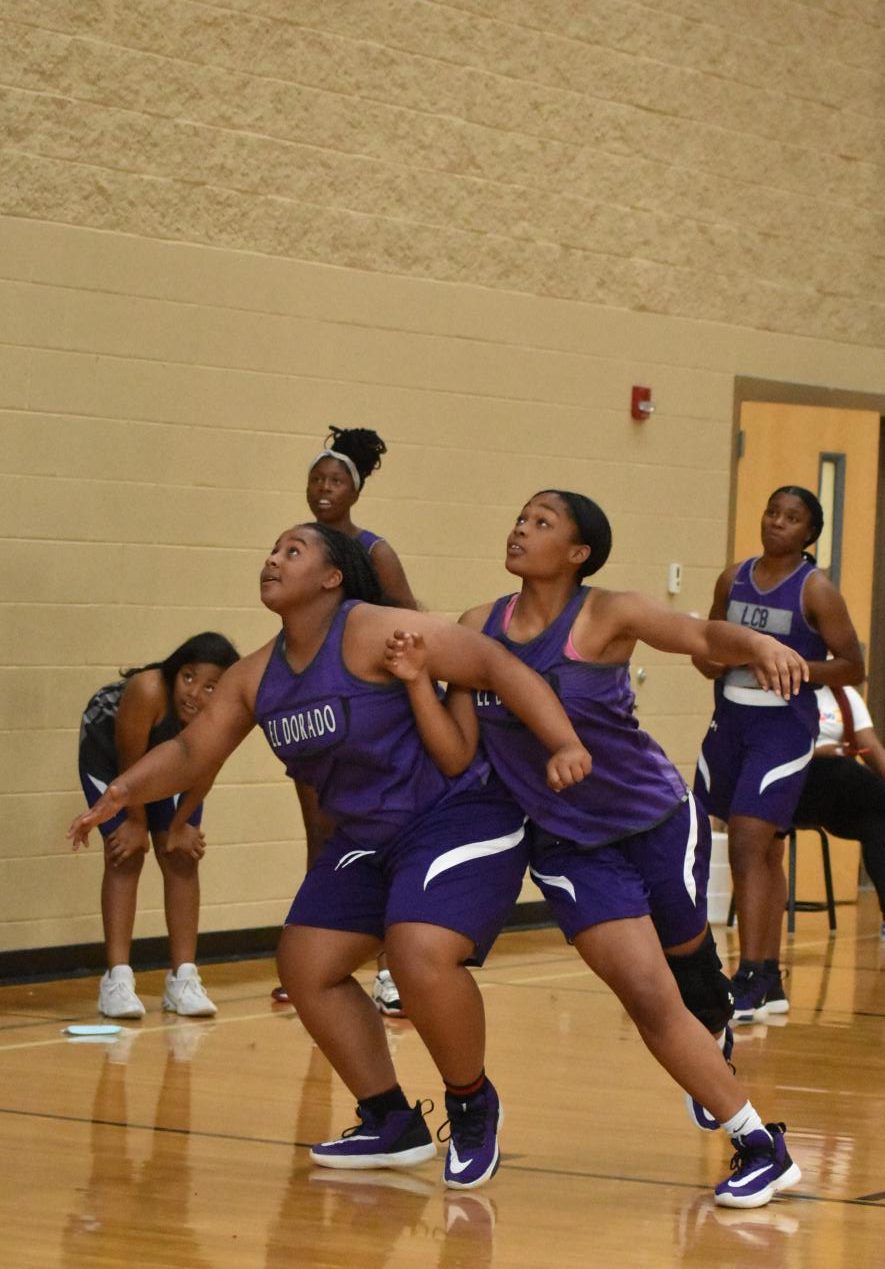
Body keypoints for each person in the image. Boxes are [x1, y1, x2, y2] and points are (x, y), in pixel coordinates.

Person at [69, 522, 592, 1191]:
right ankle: (390, 1117)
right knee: (306, 964)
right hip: (367, 835)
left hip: (457, 812)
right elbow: (195, 751)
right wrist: (121, 791)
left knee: (417, 950)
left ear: (331, 576)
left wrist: (563, 742)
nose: (272, 558)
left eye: (293, 551)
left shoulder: (374, 629)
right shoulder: (255, 674)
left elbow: (495, 664)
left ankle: (470, 1102)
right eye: (270, 549)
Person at [385, 489, 808, 1210]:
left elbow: (704, 638)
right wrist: (419, 681)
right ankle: (761, 1144)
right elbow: (457, 754)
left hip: (655, 820)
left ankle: (713, 1028)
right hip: (569, 845)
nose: (521, 527)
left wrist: (763, 644)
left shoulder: (609, 613)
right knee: (646, 994)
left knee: (688, 974)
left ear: (577, 553)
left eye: (542, 522)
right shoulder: (476, 627)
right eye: (520, 516)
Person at [692, 485, 865, 1022]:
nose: (777, 523)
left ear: (808, 534)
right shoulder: (733, 577)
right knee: (752, 847)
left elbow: (853, 666)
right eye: (772, 512)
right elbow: (707, 649)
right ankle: (766, 980)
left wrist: (793, 666)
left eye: (791, 518)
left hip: (783, 724)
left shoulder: (816, 591)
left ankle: (753, 970)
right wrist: (713, 662)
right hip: (731, 719)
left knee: (749, 841)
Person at [276, 424, 419, 1015]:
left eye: (336, 479)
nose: (325, 487)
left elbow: (409, 616)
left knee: (381, 834)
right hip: (316, 705)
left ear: (355, 490)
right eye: (317, 478)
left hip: (370, 702)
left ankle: (391, 967)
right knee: (321, 831)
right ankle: (315, 953)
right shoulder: (298, 546)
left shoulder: (373, 551)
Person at [77, 632, 240, 1019]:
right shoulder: (148, 690)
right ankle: (116, 979)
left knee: (181, 856)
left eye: (210, 687)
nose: (194, 693)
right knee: (126, 854)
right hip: (112, 754)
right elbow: (130, 763)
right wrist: (135, 821)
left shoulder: (226, 713)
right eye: (188, 677)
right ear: (174, 670)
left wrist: (181, 824)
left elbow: (207, 768)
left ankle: (183, 978)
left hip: (172, 761)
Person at [792, 683, 885, 943]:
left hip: (834, 792)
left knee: (875, 819)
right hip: (791, 789)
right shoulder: (785, 690)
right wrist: (820, 752)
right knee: (840, 767)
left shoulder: (843, 695)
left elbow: (871, 747)